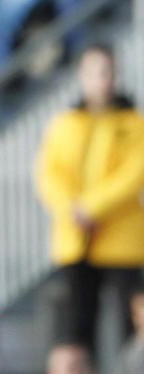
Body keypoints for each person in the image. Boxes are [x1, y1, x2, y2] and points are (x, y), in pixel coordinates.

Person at [36, 44, 144, 353]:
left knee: (130, 326)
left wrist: (91, 207)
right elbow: (49, 175)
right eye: (97, 73)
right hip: (76, 238)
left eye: (109, 72)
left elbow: (134, 174)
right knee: (78, 327)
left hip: (122, 240)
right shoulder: (64, 124)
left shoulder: (134, 123)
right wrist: (71, 210)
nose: (104, 80)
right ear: (82, 77)